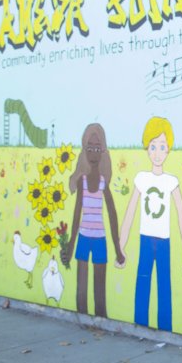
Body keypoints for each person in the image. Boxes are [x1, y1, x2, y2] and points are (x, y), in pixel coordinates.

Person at [117, 116, 182, 332]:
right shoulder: (142, 178)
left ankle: (165, 329)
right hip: (145, 239)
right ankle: (140, 325)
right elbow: (130, 212)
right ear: (147, 149)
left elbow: (181, 217)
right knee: (142, 282)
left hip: (163, 242)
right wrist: (120, 247)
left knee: (164, 286)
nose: (158, 152)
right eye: (153, 146)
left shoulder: (171, 181)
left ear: (168, 149)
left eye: (162, 146)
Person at [62, 123, 125, 318]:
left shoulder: (103, 183)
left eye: (97, 148)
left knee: (100, 288)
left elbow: (112, 214)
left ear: (103, 151)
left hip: (99, 238)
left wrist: (117, 248)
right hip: (83, 237)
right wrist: (71, 246)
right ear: (85, 150)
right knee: (81, 287)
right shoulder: (81, 182)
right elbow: (76, 214)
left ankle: (101, 321)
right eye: (90, 148)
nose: (94, 152)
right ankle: (82, 319)